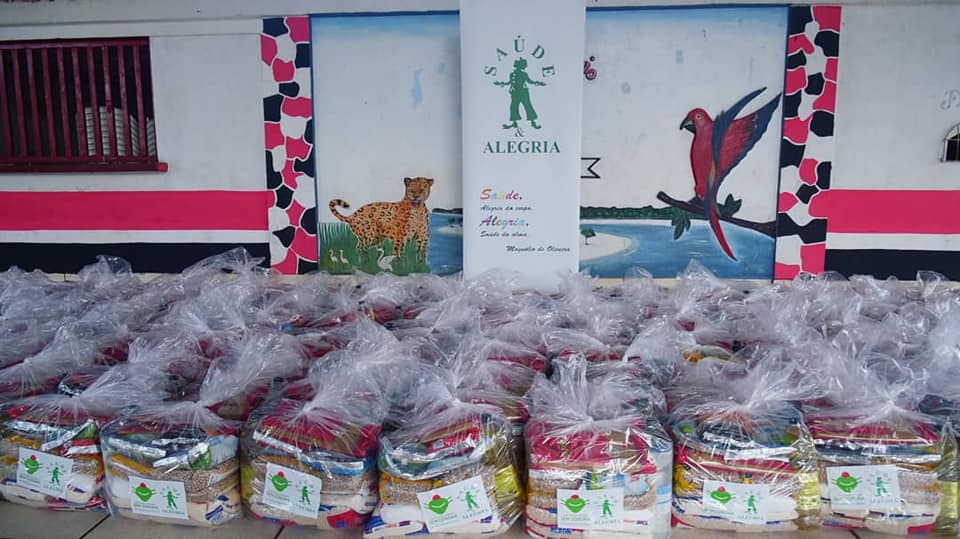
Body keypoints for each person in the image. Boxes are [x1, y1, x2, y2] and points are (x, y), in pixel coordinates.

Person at [494, 58, 545, 130]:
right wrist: (500, 83)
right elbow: (509, 82)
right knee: (513, 107)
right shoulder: (512, 74)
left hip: (523, 92)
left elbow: (530, 81)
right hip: (515, 93)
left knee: (528, 106)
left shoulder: (524, 74)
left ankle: (533, 122)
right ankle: (514, 123)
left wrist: (538, 83)